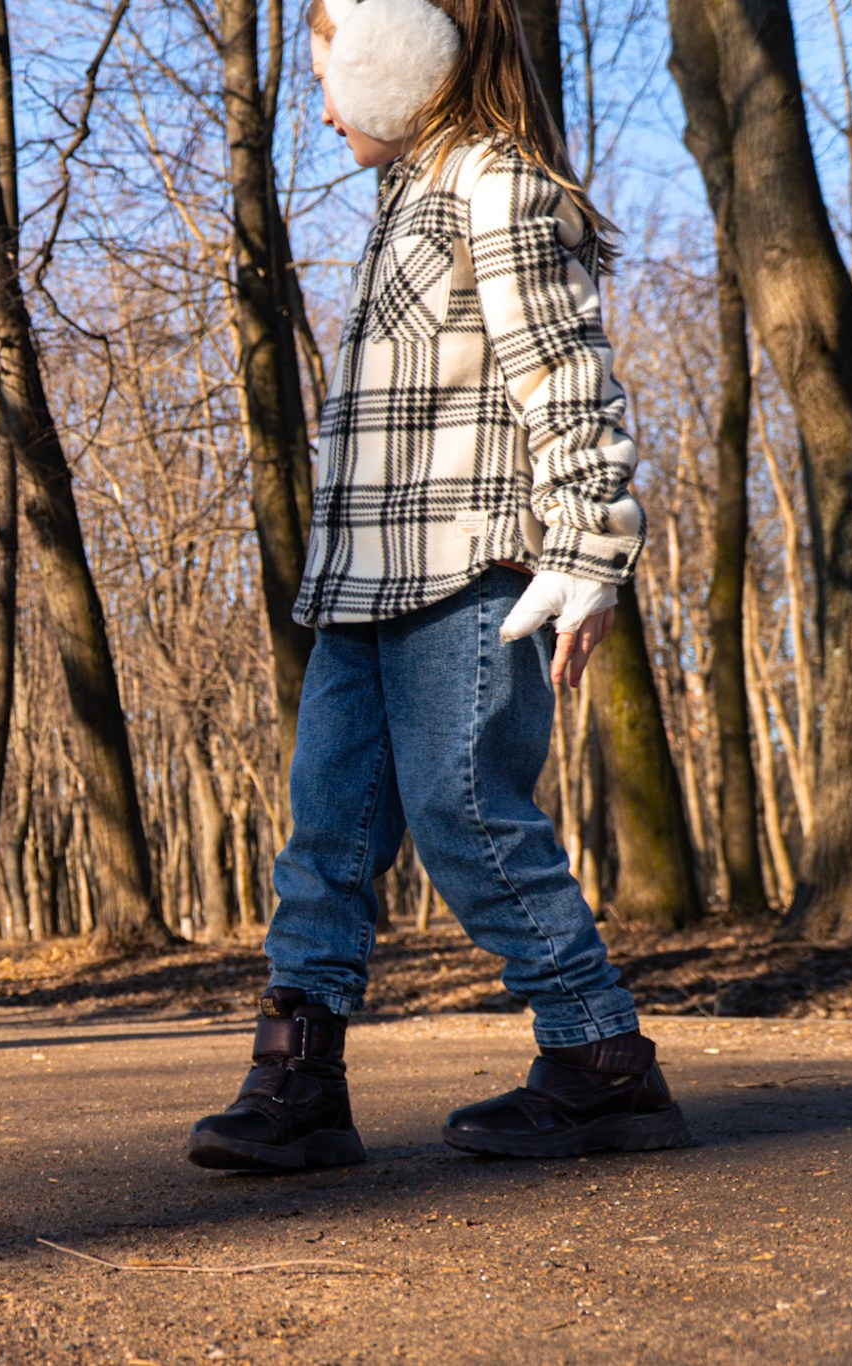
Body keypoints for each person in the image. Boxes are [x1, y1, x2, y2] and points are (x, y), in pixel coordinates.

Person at [188, 0, 688, 1171]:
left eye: (330, 74)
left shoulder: (496, 185)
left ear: (400, 58)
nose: (317, 106)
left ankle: (598, 1058)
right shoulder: (402, 198)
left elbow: (567, 382)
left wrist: (586, 549)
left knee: (467, 817)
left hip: (466, 573)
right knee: (322, 837)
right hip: (357, 586)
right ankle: (297, 1076)